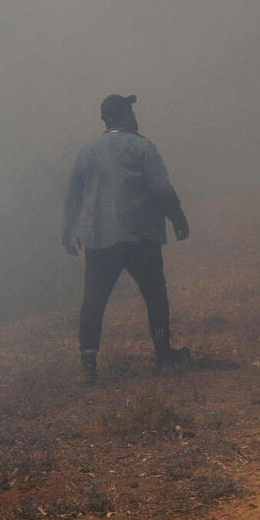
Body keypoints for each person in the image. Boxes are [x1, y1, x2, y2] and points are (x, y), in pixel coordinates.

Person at [61, 94, 191, 384]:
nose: (135, 116)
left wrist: (69, 232)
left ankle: (88, 363)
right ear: (122, 115)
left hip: (100, 237)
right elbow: (161, 188)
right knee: (155, 297)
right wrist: (177, 216)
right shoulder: (142, 147)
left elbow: (74, 196)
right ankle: (162, 352)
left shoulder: (87, 152)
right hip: (140, 236)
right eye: (131, 111)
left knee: (93, 302)